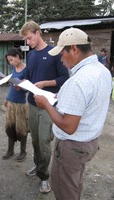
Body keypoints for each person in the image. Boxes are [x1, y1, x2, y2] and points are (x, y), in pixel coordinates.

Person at [34, 27, 112, 200]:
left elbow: (69, 127)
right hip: (89, 142)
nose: (61, 59)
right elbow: (89, 101)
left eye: (62, 53)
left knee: (64, 189)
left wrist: (46, 105)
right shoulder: (102, 71)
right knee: (74, 182)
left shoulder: (77, 81)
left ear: (74, 48)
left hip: (72, 146)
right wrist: (60, 96)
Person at [19, 20, 69, 194]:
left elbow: (64, 78)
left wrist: (45, 83)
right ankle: (38, 165)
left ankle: (44, 177)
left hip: (48, 106)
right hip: (32, 104)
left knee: (45, 142)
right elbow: (27, 75)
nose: (28, 42)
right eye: (26, 39)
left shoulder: (54, 53)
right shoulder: (31, 55)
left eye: (29, 38)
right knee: (35, 141)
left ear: (38, 32)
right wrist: (20, 82)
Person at [2, 48, 28, 162]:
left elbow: (28, 87)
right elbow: (11, 85)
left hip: (21, 103)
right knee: (10, 126)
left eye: (12, 60)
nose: (11, 63)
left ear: (18, 57)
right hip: (11, 101)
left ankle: (23, 151)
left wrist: (21, 87)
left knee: (22, 128)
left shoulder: (27, 69)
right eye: (9, 61)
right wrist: (7, 98)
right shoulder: (13, 68)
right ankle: (10, 150)